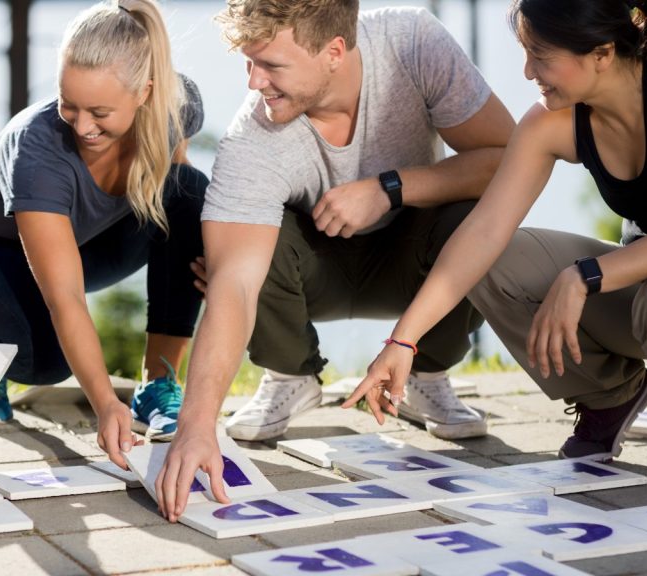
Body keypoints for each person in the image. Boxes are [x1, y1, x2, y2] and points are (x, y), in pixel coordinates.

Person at [348, 0, 647, 494]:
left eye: (541, 56)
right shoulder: (554, 120)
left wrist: (583, 276)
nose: (527, 71)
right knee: (497, 260)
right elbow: (483, 235)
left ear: (602, 53)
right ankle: (609, 393)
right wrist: (402, 341)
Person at [155, 0, 514, 520]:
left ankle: (425, 374)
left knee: (483, 214)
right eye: (248, 63)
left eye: (272, 66)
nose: (255, 82)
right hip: (313, 272)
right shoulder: (251, 140)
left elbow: (510, 159)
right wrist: (196, 427)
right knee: (232, 250)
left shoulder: (412, 42)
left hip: (412, 260)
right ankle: (289, 375)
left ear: (334, 51)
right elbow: (232, 285)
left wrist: (391, 188)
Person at [0, 0, 208, 466]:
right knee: (49, 364)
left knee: (188, 192)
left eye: (99, 111)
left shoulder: (175, 107)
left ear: (146, 91)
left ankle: (158, 383)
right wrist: (104, 405)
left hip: (81, 242)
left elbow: (175, 186)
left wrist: (199, 255)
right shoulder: (39, 150)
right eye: (68, 105)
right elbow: (67, 300)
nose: (82, 126)